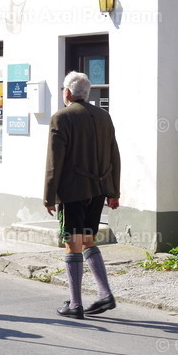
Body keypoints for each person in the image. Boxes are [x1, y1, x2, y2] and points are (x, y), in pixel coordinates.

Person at [45, 71, 122, 319]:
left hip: (73, 192)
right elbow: (114, 155)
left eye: (63, 90)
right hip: (98, 191)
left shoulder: (61, 117)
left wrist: (49, 196)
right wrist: (114, 191)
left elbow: (54, 161)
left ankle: (76, 304)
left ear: (67, 92)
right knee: (88, 239)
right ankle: (104, 293)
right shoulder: (103, 116)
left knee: (72, 243)